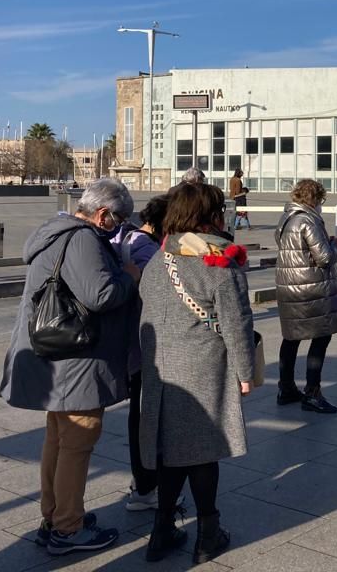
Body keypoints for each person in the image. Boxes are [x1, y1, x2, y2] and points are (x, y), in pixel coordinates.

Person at [0, 178, 141, 557]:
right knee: (78, 442)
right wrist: (129, 277)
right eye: (120, 218)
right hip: (76, 360)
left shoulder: (56, 230)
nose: (121, 225)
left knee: (58, 441)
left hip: (57, 357)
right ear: (102, 214)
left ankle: (57, 514)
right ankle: (67, 529)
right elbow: (101, 295)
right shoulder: (82, 238)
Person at [137, 182, 256, 563]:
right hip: (203, 364)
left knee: (171, 449)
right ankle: (208, 534)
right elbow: (237, 322)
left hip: (161, 370)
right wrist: (245, 370)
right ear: (210, 214)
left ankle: (162, 529)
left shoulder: (160, 258)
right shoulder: (217, 260)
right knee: (204, 451)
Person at [109, 195, 186, 513]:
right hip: (143, 346)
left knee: (141, 416)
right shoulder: (146, 248)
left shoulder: (127, 238)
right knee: (143, 418)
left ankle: (143, 481)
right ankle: (145, 486)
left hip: (134, 342)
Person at [274, 179, 337, 413]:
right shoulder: (308, 220)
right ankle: (312, 393)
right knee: (321, 337)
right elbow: (324, 258)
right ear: (315, 199)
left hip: (289, 286)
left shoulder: (287, 218)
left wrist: (326, 243)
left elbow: (295, 250)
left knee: (291, 338)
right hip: (311, 289)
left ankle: (286, 387)